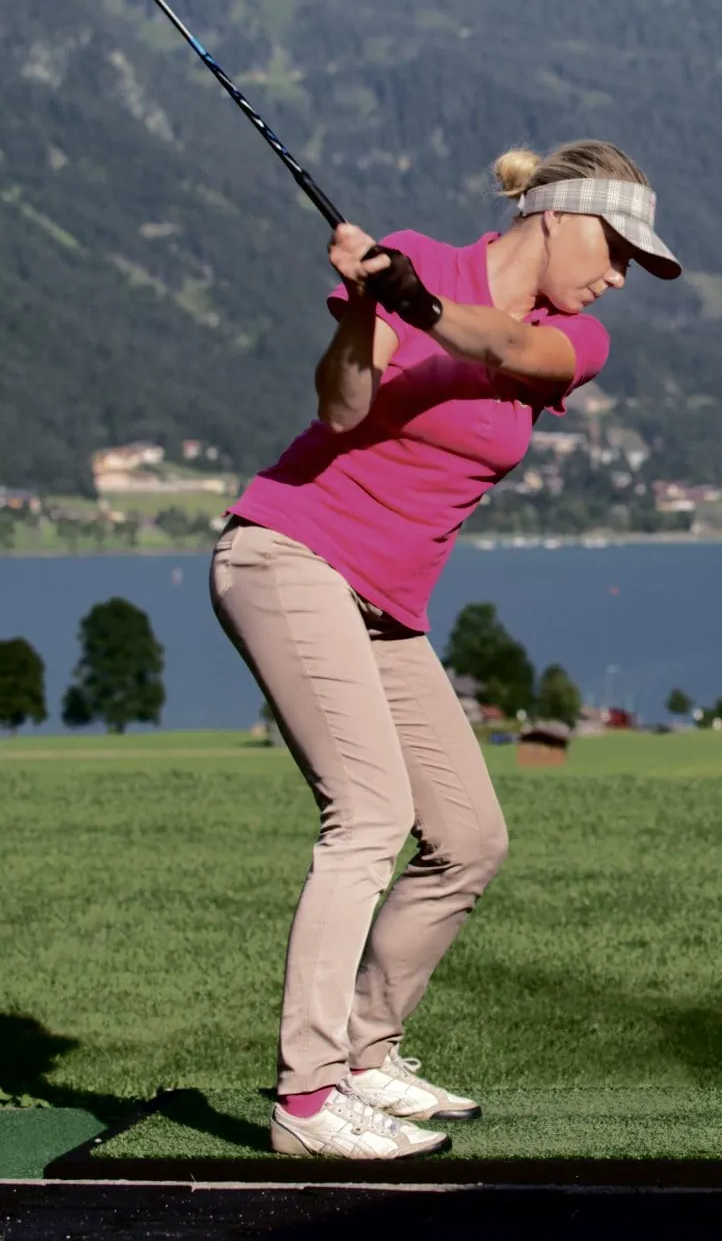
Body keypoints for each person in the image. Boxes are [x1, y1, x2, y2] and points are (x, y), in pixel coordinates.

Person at [210, 139, 681, 1159]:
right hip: (288, 553)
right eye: (613, 248)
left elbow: (506, 351)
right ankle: (306, 1099)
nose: (617, 276)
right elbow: (340, 407)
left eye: (634, 265)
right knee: (371, 814)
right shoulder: (416, 258)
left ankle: (368, 1053)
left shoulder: (574, 341)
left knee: (468, 839)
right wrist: (369, 312)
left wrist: (416, 307)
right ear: (554, 214)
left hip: (383, 605)